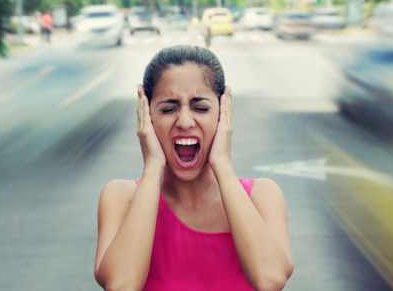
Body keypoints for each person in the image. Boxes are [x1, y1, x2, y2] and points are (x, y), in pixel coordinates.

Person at [94, 45, 293, 291]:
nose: (185, 122)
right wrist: (153, 166)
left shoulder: (262, 195)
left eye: (200, 108)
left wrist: (222, 163)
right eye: (168, 109)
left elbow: (270, 279)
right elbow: (121, 285)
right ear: (146, 116)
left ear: (223, 113)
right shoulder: (120, 198)